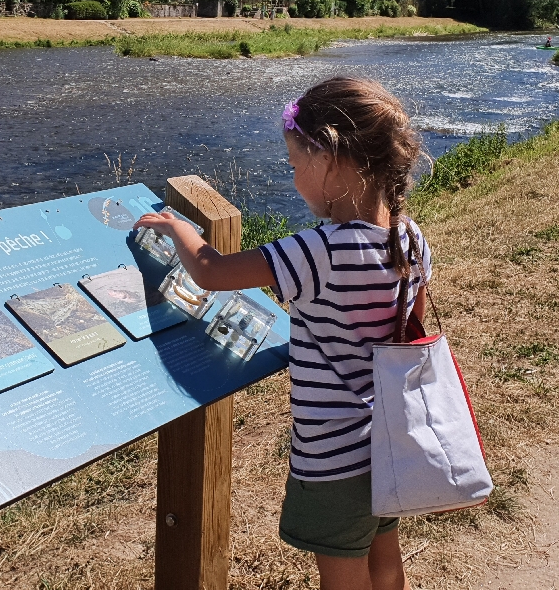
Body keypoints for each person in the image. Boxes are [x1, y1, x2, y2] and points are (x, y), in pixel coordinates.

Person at [133, 76, 430, 590]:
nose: (293, 179)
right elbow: (409, 330)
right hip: (387, 440)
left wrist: (176, 226)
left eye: (296, 165)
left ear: (330, 159)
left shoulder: (320, 250)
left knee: (342, 573)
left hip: (333, 454)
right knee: (384, 558)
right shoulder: (408, 236)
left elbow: (212, 272)